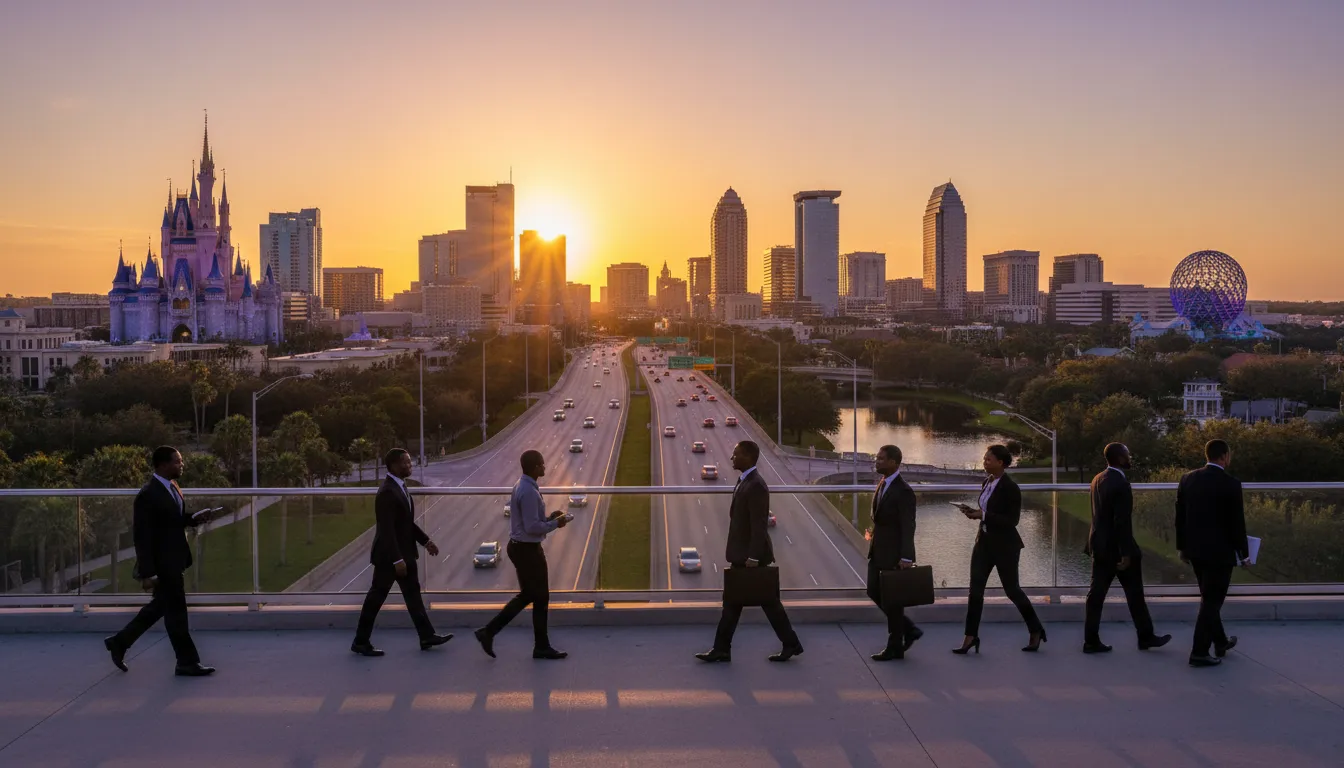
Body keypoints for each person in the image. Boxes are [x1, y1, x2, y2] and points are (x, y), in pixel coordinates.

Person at [104, 446, 217, 676]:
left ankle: (120, 642)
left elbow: (172, 521)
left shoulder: (172, 487)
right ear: (163, 465)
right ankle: (186, 662)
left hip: (174, 559)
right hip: (163, 564)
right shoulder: (148, 495)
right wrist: (148, 572)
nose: (181, 465)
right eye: (177, 461)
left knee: (161, 607)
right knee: (176, 613)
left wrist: (193, 519)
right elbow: (142, 537)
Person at [696, 440, 803, 663]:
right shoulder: (745, 481)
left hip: (750, 557)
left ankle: (789, 644)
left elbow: (759, 524)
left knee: (765, 603)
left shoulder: (756, 485)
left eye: (736, 454)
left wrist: (753, 556)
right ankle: (722, 648)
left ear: (748, 457)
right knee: (735, 604)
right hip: (743, 554)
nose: (732, 458)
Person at [351, 448, 452, 656]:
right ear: (394, 465)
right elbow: (387, 530)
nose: (409, 465)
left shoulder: (400, 487)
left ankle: (427, 636)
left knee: (413, 596)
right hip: (390, 557)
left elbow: (406, 523)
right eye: (405, 462)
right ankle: (361, 641)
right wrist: (397, 560)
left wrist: (426, 541)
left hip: (405, 554)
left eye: (409, 461)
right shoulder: (387, 492)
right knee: (376, 599)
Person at [474, 449, 570, 660]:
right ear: (535, 467)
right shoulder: (529, 491)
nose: (545, 467)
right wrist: (556, 524)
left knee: (530, 595)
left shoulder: (522, 485)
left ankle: (490, 632)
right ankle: (538, 645)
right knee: (540, 597)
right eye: (542, 464)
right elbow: (532, 527)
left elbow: (531, 520)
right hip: (527, 550)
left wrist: (549, 518)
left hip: (521, 547)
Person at [954, 444, 1046, 655]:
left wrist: (984, 515)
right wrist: (974, 513)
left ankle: (1036, 629)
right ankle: (970, 637)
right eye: (984, 458)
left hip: (1005, 546)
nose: (984, 462)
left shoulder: (1010, 488)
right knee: (975, 591)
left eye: (988, 459)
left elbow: (1012, 520)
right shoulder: (987, 482)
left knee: (1012, 590)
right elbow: (987, 512)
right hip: (983, 543)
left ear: (1000, 463)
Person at [1083, 443, 1171, 653]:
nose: (1129, 457)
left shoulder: (1097, 479)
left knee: (1096, 595)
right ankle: (1146, 637)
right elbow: (1121, 521)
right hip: (1117, 549)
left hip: (1099, 545)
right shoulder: (1121, 484)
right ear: (1120, 458)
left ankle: (1091, 640)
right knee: (1134, 593)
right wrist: (1126, 552)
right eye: (1127, 454)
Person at [1176, 439, 1250, 668]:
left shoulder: (1187, 479)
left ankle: (1220, 642)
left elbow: (1180, 518)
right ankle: (1199, 652)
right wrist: (1244, 554)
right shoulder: (1231, 484)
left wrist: (1182, 548)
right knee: (1212, 602)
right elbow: (1236, 523)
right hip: (1220, 553)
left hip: (1195, 551)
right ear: (1224, 456)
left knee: (1209, 597)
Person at [865, 444, 922, 661]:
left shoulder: (903, 491)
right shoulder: (883, 483)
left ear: (894, 463)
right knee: (874, 591)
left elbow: (908, 525)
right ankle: (909, 630)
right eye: (877, 458)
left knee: (893, 600)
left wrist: (906, 557)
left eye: (881, 459)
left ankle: (895, 645)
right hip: (878, 549)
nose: (877, 461)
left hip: (893, 553)